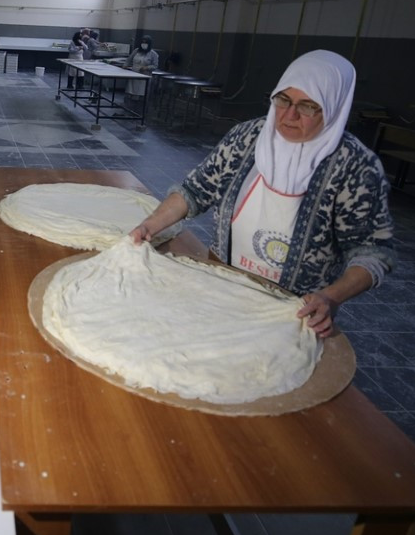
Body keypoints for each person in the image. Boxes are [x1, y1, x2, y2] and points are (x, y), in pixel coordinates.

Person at [130, 50, 394, 338]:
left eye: (308, 107)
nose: (290, 115)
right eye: (283, 100)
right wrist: (149, 226)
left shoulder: (355, 166)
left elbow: (373, 254)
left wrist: (330, 297)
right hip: (222, 286)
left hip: (293, 311)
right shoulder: (246, 139)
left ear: (334, 108)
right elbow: (194, 191)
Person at [123, 34, 159, 102]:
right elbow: (129, 60)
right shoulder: (136, 51)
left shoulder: (153, 54)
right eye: (143, 42)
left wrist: (147, 67)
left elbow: (155, 66)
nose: (144, 44)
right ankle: (129, 103)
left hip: (144, 76)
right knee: (130, 90)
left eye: (146, 43)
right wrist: (125, 65)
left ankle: (139, 103)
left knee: (140, 92)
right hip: (133, 74)